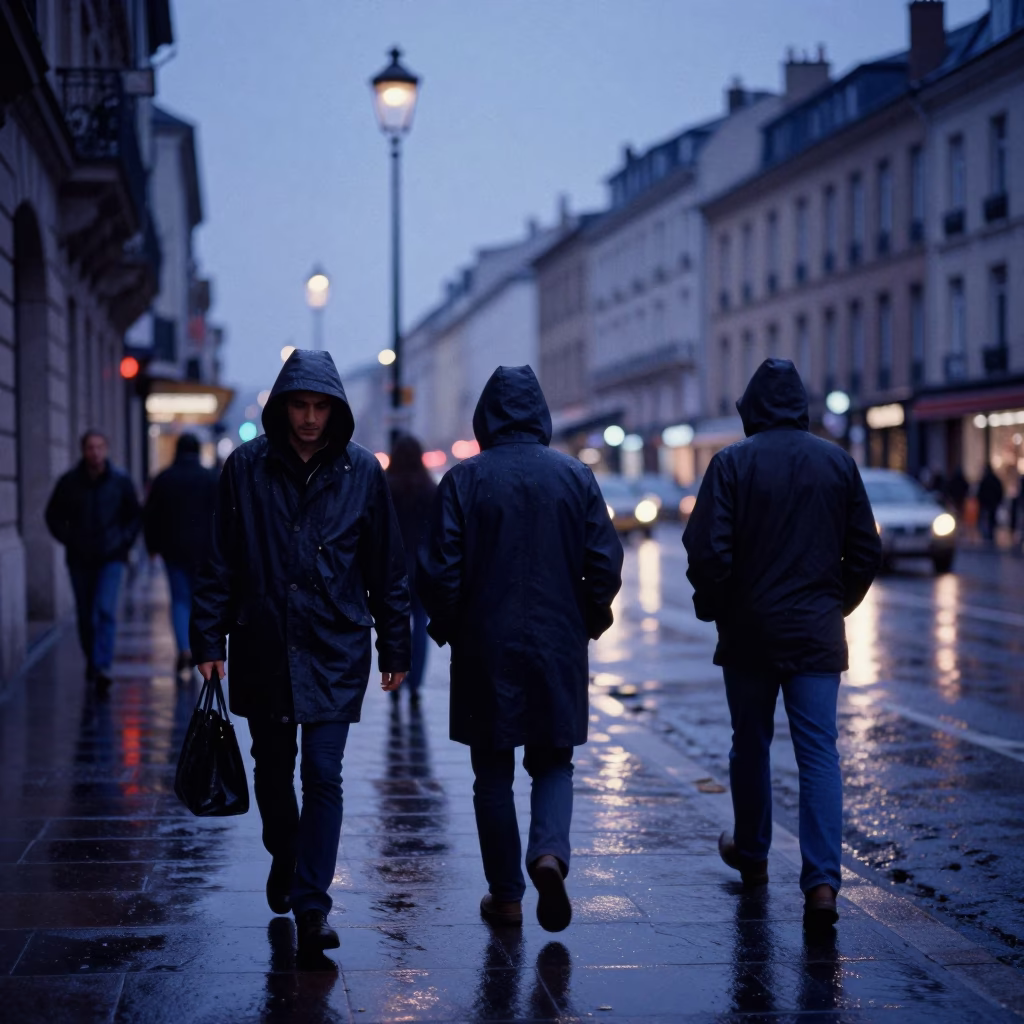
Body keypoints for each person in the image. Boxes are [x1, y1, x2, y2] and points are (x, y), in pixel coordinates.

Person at [189, 349, 410, 956]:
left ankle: (314, 905)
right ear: (283, 407)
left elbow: (387, 566)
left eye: (319, 406)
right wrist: (208, 637)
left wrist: (396, 642)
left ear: (335, 409)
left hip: (335, 641)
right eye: (300, 405)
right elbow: (219, 559)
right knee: (272, 767)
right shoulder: (245, 468)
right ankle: (285, 853)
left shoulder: (362, 472)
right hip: (263, 637)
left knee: (324, 773)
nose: (310, 418)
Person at [417, 365, 623, 933]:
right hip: (558, 642)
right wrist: (586, 618)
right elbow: (604, 563)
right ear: (541, 415)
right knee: (554, 761)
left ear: (485, 415)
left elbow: (438, 570)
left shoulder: (464, 479)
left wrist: (455, 625)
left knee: (492, 774)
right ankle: (549, 855)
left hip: (486, 644)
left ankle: (506, 894)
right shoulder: (575, 476)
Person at [682, 359, 881, 931]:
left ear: (751, 408)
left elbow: (707, 550)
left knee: (750, 744)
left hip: (749, 631)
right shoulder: (837, 463)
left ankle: (752, 852)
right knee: (819, 752)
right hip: (816, 631)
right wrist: (833, 606)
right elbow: (865, 551)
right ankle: (821, 884)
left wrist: (720, 607)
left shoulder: (731, 463)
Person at [45, 430, 142, 691]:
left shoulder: (120, 481)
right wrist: (69, 538)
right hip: (79, 558)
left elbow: (134, 515)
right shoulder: (69, 482)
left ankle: (102, 666)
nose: (95, 452)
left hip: (112, 557)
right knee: (86, 615)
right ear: (83, 450)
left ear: (107, 449)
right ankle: (93, 659)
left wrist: (124, 541)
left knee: (105, 610)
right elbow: (52, 515)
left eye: (100, 447)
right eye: (91, 447)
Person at [143, 433, 219, 673]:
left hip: (172, 549)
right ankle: (197, 647)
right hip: (204, 550)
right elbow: (222, 516)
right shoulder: (210, 478)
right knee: (200, 600)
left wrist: (152, 547)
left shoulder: (164, 478)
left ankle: (183, 648)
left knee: (179, 599)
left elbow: (150, 516)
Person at [384, 434, 438, 709]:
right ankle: (416, 684)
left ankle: (396, 678)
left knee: (397, 625)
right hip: (423, 568)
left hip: (394, 568)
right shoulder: (429, 488)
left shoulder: (387, 486)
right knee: (420, 626)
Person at [977, 464, 1004, 543]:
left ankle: (987, 534)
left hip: (987, 503)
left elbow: (980, 492)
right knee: (991, 518)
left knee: (986, 518)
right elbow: (999, 491)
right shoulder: (994, 479)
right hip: (991, 503)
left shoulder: (985, 480)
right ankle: (989, 533)